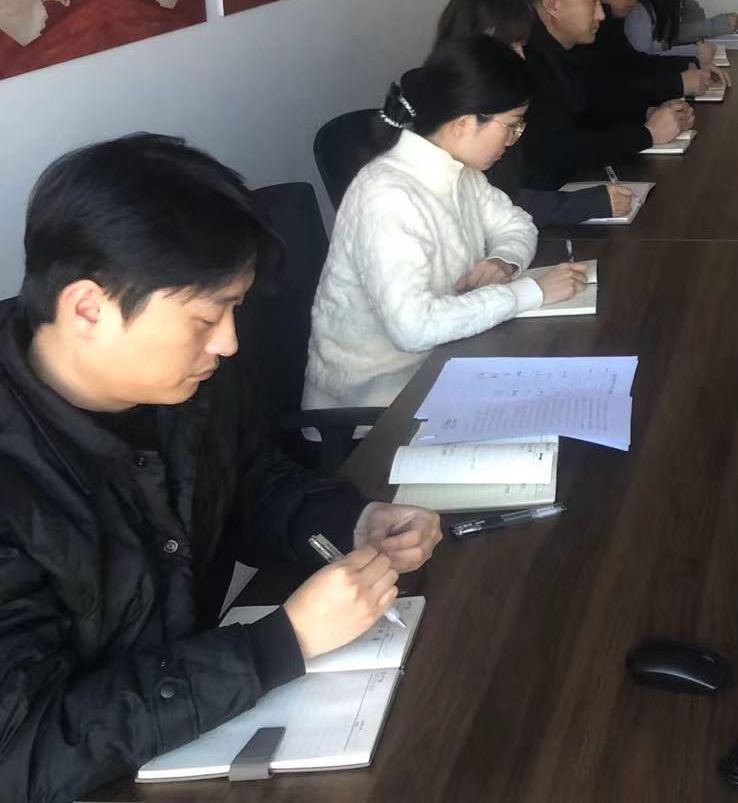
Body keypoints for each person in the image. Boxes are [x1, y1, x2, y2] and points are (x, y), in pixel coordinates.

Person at [0, 134, 444, 803]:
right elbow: (24, 752)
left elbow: (249, 483)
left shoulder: (190, 383)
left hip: (192, 735)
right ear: (88, 308)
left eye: (234, 309)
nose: (230, 342)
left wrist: (351, 521)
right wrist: (281, 643)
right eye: (207, 317)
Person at [304, 37, 590, 411]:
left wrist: (504, 260)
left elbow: (517, 224)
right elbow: (414, 328)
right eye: (511, 126)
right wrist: (530, 292)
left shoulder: (457, 171)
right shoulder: (386, 196)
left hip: (449, 364)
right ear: (463, 123)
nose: (513, 140)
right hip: (379, 405)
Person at [433, 0, 635, 225]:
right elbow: (492, 203)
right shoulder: (452, 108)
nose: (521, 57)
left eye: (521, 46)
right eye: (511, 47)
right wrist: (586, 203)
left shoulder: (508, 95)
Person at [522, 0, 694, 185]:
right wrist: (647, 135)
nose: (601, 15)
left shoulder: (574, 49)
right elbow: (560, 148)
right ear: (553, 5)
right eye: (593, 1)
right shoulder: (527, 59)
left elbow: (599, 106)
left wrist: (648, 113)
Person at [585, 0, 726, 104]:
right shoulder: (627, 13)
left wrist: (690, 63)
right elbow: (613, 87)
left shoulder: (612, 20)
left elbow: (634, 63)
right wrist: (679, 82)